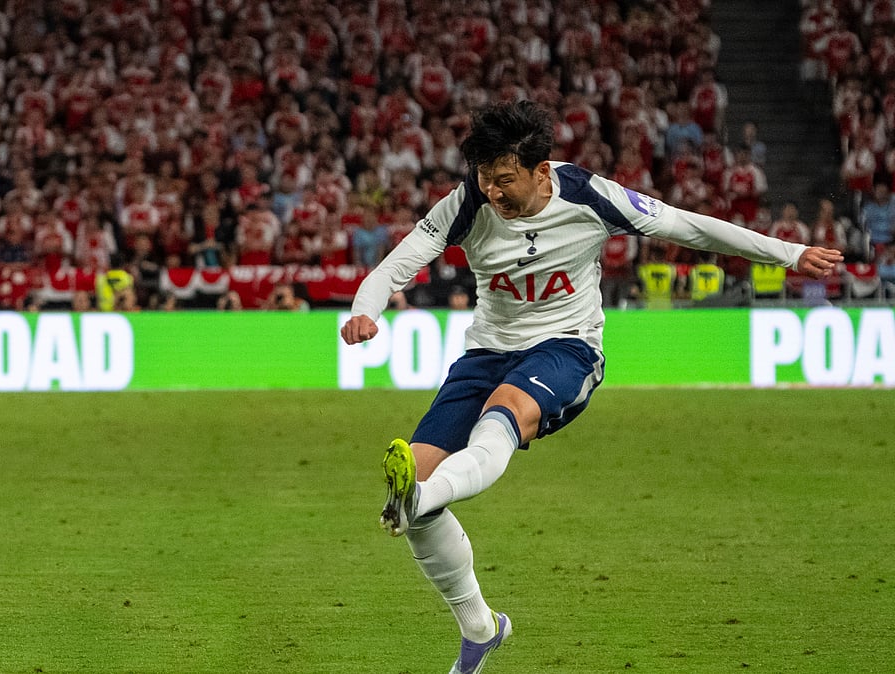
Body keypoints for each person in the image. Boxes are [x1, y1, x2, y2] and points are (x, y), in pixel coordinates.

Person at [338, 101, 842, 674]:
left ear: (541, 171)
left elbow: (689, 225)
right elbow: (397, 265)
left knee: (498, 418)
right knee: (420, 492)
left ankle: (419, 497)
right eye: (484, 178)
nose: (493, 191)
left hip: (568, 347)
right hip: (486, 353)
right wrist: (365, 311)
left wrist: (790, 253)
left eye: (504, 179)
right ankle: (480, 628)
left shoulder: (589, 196)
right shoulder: (466, 203)